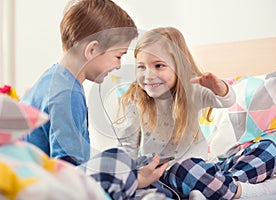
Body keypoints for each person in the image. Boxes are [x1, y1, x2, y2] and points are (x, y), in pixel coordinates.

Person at [20, 0, 168, 199]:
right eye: (118, 56)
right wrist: (136, 180)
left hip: (34, 179)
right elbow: (69, 173)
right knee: (122, 163)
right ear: (92, 50)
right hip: (46, 188)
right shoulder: (66, 94)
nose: (118, 66)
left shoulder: (52, 79)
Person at [116, 27, 276, 199]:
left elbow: (226, 101)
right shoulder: (136, 100)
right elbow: (127, 147)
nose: (148, 75)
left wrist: (219, 88)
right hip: (165, 176)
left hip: (206, 170)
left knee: (268, 148)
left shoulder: (193, 90)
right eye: (141, 67)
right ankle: (236, 192)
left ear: (179, 66)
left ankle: (220, 188)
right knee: (186, 170)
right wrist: (130, 178)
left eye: (158, 66)